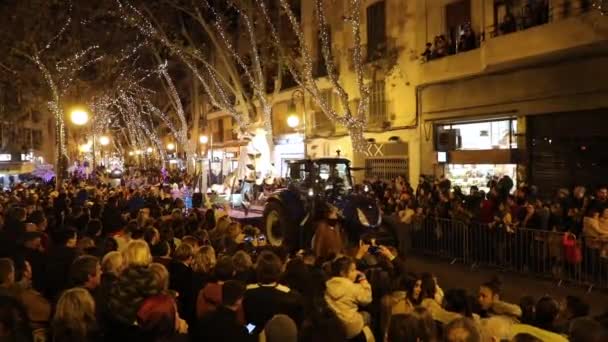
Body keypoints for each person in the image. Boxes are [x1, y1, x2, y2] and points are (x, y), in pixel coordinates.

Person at [243, 251, 303, 335]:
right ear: (278, 270)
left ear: (258, 270)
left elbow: (246, 324)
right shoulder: (291, 296)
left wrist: (252, 333)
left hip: (253, 334)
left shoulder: (246, 292)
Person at [324, 256, 373, 340]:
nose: (356, 272)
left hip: (332, 327)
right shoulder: (352, 287)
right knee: (366, 315)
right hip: (350, 327)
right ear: (343, 273)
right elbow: (367, 299)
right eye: (353, 270)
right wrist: (363, 280)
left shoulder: (327, 285)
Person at [44, 228, 80, 300]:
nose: (77, 240)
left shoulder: (49, 251)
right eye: (75, 238)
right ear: (70, 240)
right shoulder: (73, 254)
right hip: (65, 291)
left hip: (48, 290)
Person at [168, 243, 195, 326]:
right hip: (183, 309)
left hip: (170, 305)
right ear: (190, 257)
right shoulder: (189, 273)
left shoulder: (169, 267)